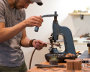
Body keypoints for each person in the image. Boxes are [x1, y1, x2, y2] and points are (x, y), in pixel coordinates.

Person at [0, 0, 46, 72]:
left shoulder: (21, 11)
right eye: (27, 2)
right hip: (3, 65)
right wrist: (25, 23)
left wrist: (32, 42)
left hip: (20, 63)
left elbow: (22, 39)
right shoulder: (1, 5)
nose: (26, 7)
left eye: (30, 3)